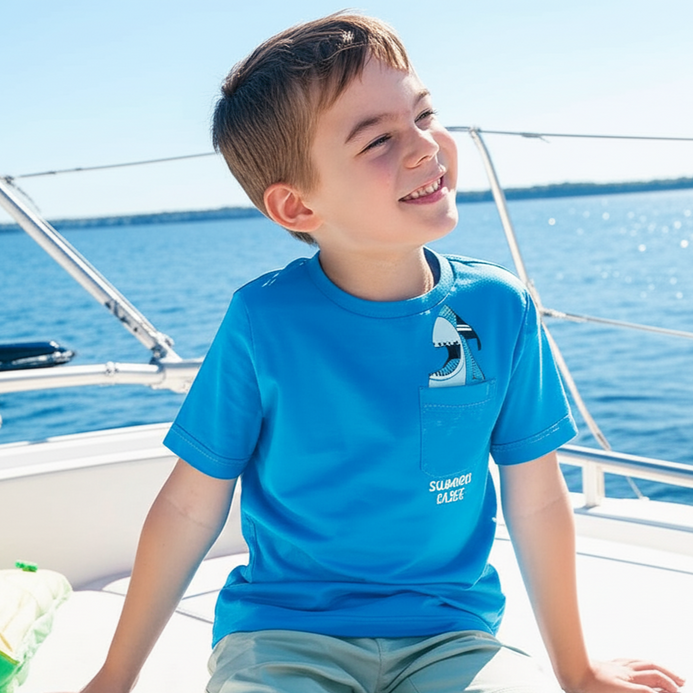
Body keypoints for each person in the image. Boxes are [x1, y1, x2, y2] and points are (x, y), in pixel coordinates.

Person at [79, 13, 685, 693]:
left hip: (448, 633)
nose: (426, 146)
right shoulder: (262, 320)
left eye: (423, 114)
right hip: (282, 633)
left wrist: (577, 670)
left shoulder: (500, 306)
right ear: (296, 206)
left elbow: (538, 498)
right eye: (378, 139)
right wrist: (114, 676)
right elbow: (190, 508)